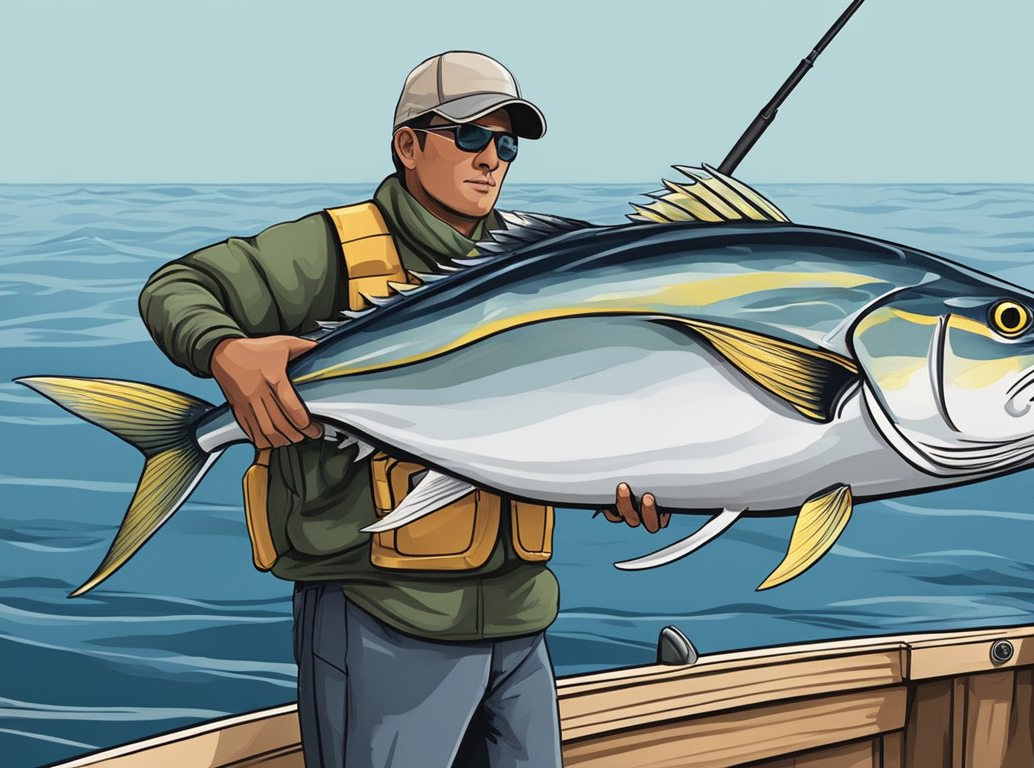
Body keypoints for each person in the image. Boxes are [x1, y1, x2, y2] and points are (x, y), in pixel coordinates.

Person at [138, 50, 669, 768]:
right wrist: (227, 352)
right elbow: (177, 286)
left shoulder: (546, 261)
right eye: (470, 137)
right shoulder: (330, 249)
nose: (492, 160)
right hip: (381, 616)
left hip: (519, 619)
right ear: (408, 144)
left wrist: (631, 474)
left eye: (506, 144)